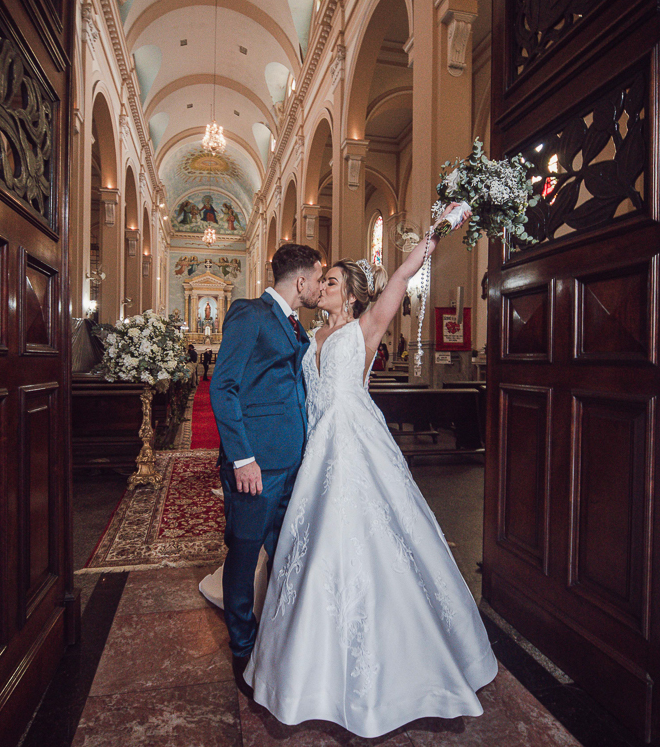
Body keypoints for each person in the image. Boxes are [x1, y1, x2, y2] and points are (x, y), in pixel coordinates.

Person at [242, 228, 497, 738]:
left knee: (372, 544)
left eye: (331, 281)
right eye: (323, 281)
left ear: (352, 293)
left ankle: (403, 670)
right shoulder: (307, 337)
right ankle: (310, 671)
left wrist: (435, 233)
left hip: (356, 445)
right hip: (317, 449)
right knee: (314, 554)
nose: (323, 287)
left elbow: (401, 277)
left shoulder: (366, 327)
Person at [208, 243, 324, 692]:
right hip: (256, 466)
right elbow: (224, 386)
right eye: (317, 277)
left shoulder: (294, 324)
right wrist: (243, 458)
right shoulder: (250, 313)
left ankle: (279, 637)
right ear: (301, 281)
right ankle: (242, 647)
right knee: (244, 551)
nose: (318, 286)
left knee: (285, 550)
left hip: (292, 463)